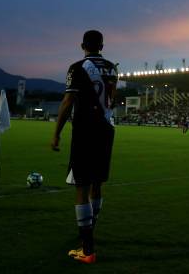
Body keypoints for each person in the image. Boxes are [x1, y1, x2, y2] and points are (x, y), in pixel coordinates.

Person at [51, 30, 118, 264]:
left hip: (85, 130)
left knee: (81, 186)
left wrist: (56, 134)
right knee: (96, 184)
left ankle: (87, 248)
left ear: (82, 45)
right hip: (106, 129)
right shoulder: (112, 67)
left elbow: (68, 101)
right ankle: (91, 231)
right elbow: (111, 97)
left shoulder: (77, 67)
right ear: (102, 45)